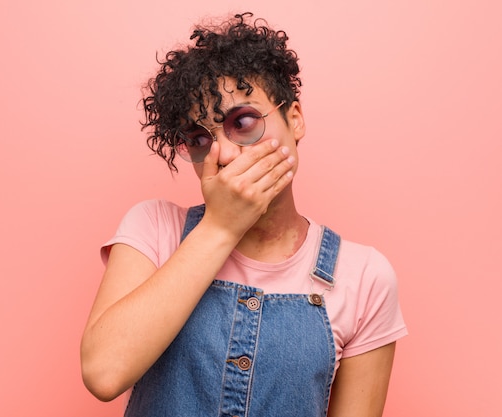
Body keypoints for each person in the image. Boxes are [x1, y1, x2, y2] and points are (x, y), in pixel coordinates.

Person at [80, 12, 407, 417]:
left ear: (296, 119)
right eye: (200, 139)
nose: (225, 155)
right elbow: (104, 373)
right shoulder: (155, 230)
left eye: (244, 122)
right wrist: (221, 225)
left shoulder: (364, 277)